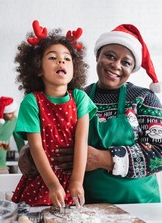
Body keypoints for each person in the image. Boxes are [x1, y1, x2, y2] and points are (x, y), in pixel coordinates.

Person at [51, 24, 162, 204]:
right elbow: (55, 137)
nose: (116, 65)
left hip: (140, 206)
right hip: (86, 206)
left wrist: (103, 159)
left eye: (126, 62)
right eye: (110, 56)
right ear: (97, 56)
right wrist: (30, 152)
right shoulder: (77, 98)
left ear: (132, 68)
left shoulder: (144, 99)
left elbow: (159, 154)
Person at [11, 20, 97, 207]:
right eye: (52, 57)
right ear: (38, 68)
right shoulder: (32, 101)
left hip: (72, 179)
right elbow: (36, 148)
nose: (61, 61)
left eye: (67, 58)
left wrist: (76, 182)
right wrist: (52, 184)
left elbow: (81, 143)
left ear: (74, 68)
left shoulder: (81, 99)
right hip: (42, 179)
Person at [0, 96, 24, 198]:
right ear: (1, 113)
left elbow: (19, 141)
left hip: (1, 164)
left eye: (14, 112)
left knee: (4, 196)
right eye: (10, 113)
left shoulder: (14, 120)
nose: (13, 116)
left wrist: (24, 157)